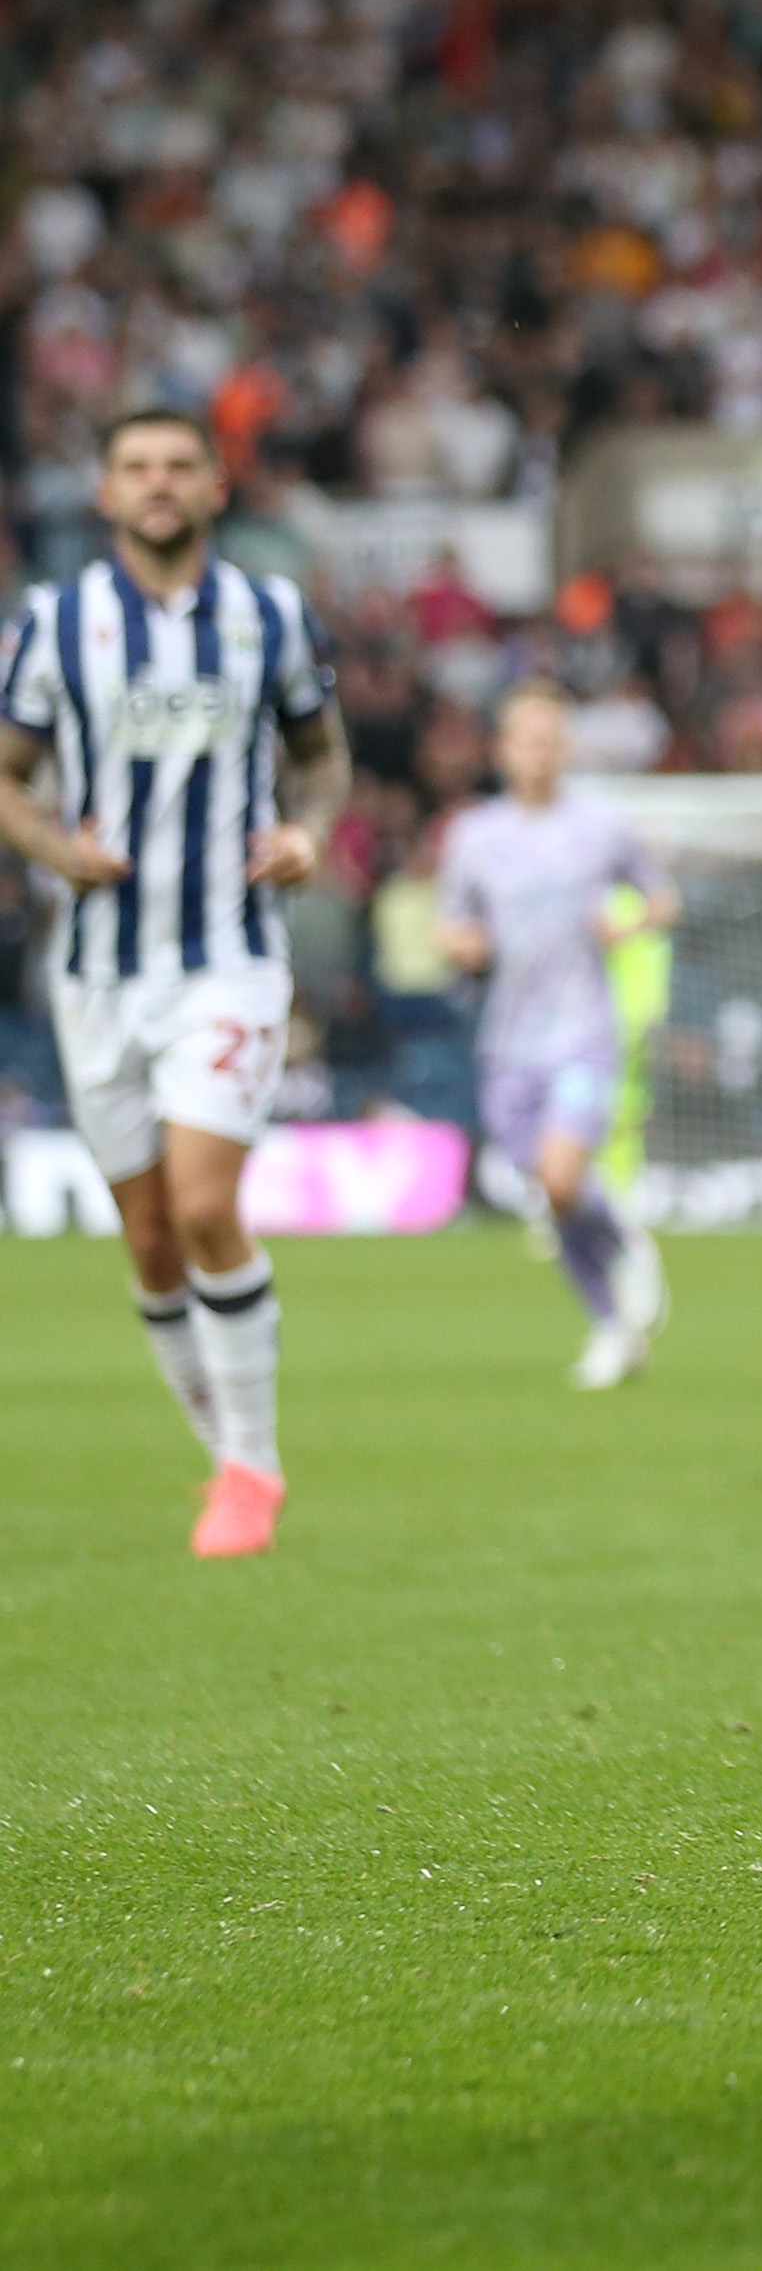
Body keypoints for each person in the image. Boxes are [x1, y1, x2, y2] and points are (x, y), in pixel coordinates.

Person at [0, 408, 348, 1557]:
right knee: (149, 1238)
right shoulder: (54, 624)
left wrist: (309, 833)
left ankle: (255, 1465)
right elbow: (7, 776)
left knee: (205, 1204)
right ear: (104, 492)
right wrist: (56, 848)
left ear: (214, 486)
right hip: (99, 970)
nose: (159, 484)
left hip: (229, 956)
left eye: (179, 466)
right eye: (137, 467)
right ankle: (226, 1457)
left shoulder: (269, 615)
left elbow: (320, 754)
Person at [436, 679, 679, 1389]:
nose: (538, 753)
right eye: (525, 739)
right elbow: (450, 921)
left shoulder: (601, 826)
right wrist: (463, 944)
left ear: (564, 749)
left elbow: (664, 898)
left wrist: (629, 920)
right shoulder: (475, 836)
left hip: (581, 1029)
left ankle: (628, 1250)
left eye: (550, 740)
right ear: (503, 750)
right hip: (507, 1040)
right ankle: (613, 1324)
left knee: (563, 1174)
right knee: (552, 1190)